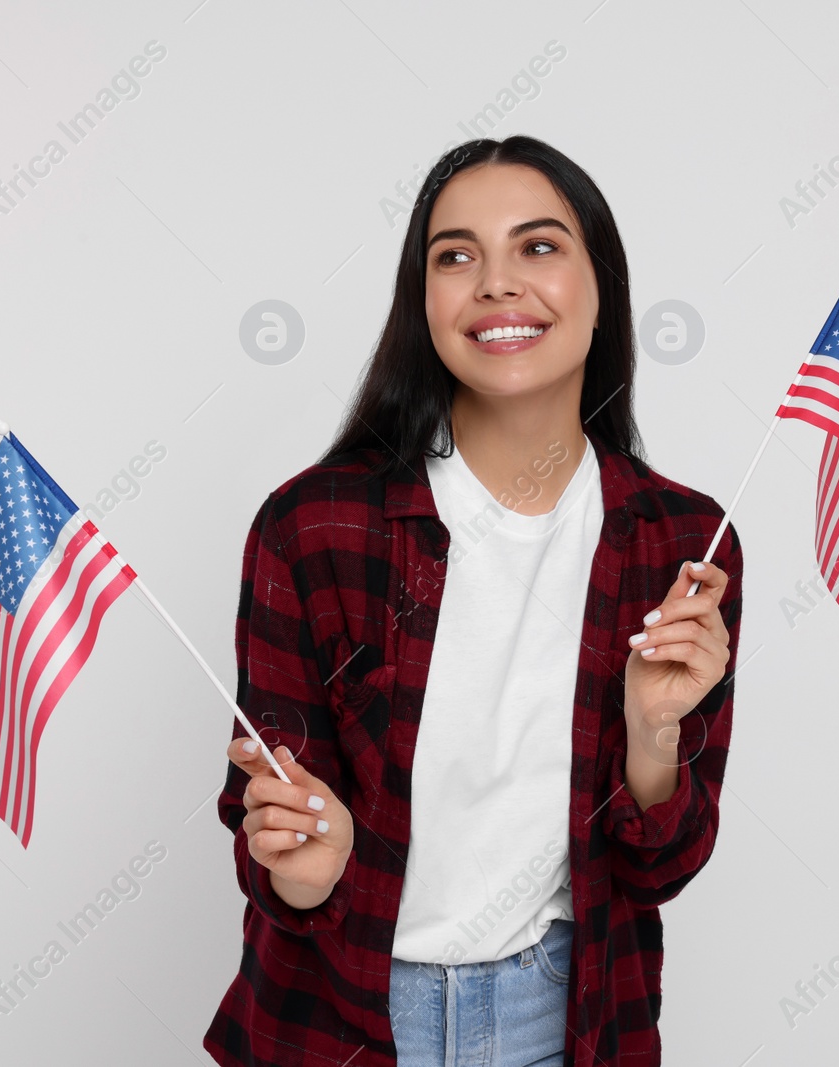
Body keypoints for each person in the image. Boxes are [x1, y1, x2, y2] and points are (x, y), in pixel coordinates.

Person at [203, 134, 742, 1067]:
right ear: (426, 302)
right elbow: (268, 838)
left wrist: (653, 731)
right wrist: (309, 865)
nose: (496, 283)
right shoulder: (314, 528)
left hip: (564, 1021)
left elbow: (663, 864)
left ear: (600, 282)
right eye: (456, 255)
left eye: (538, 247)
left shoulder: (681, 543)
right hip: (340, 1023)